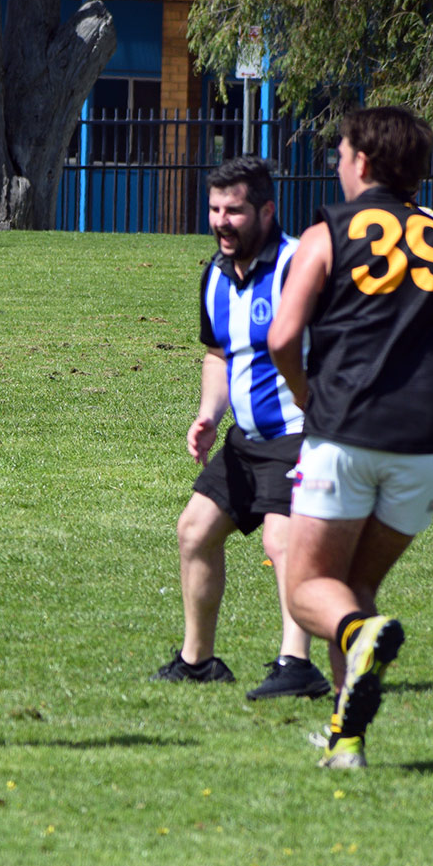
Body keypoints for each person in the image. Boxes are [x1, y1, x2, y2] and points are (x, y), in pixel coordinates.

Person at [268, 106, 433, 768]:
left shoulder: (330, 230)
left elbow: (282, 337)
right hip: (429, 447)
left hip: (347, 432)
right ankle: (347, 741)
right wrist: (428, 412)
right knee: (353, 587)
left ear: (362, 161)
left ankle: (360, 637)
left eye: (341, 153)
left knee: (309, 590)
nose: (338, 163)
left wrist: (309, 398)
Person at [151, 156, 331, 702]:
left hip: (301, 431)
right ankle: (199, 661)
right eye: (214, 210)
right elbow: (218, 354)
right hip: (246, 439)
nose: (221, 222)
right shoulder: (215, 275)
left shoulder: (300, 266)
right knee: (194, 530)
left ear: (266, 210)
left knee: (282, 539)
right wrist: (209, 413)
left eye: (234, 211)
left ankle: (297, 664)